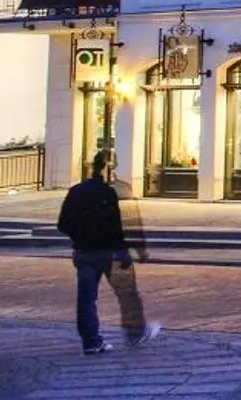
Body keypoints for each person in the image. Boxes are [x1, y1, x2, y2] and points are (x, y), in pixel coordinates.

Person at [57, 150, 158, 354]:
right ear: (107, 168)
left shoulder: (76, 191)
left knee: (86, 298)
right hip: (106, 252)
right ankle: (135, 332)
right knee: (126, 292)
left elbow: (63, 223)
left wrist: (79, 236)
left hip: (84, 251)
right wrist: (126, 252)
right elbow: (116, 227)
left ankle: (91, 341)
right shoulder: (109, 193)